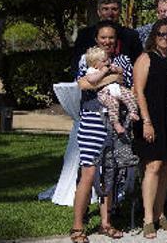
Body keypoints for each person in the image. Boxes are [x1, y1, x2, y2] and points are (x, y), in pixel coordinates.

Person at [70, 22, 133, 242]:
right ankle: (77, 226)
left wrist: (100, 79)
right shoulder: (86, 58)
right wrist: (109, 77)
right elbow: (82, 85)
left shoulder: (124, 60)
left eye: (111, 38)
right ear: (97, 39)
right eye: (103, 38)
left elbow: (125, 83)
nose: (107, 41)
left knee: (109, 173)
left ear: (116, 40)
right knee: (88, 173)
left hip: (113, 121)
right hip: (91, 121)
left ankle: (106, 222)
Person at [133, 19, 167, 238]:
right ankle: (148, 218)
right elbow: (138, 91)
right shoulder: (146, 58)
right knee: (153, 166)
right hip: (152, 120)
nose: (165, 38)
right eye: (161, 34)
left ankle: (160, 213)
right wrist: (146, 121)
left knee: (166, 166)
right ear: (153, 36)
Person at [71, 0, 142, 73]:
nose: (110, 13)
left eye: (114, 9)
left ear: (119, 12)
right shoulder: (85, 36)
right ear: (98, 12)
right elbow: (76, 67)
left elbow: (139, 66)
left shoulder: (131, 36)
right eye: (105, 9)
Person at [82, 45, 139, 135]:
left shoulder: (110, 66)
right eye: (104, 61)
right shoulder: (92, 70)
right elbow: (91, 80)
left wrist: (117, 70)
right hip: (104, 93)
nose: (107, 62)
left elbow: (121, 74)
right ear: (95, 64)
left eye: (108, 59)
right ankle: (115, 123)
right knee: (113, 104)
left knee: (129, 95)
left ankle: (133, 112)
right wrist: (103, 72)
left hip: (117, 88)